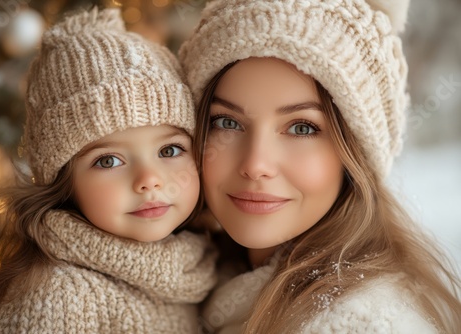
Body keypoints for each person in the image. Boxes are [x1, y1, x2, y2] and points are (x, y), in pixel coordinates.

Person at [179, 0, 461, 332]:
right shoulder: (197, 278)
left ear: (355, 153)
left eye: (302, 128)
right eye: (226, 122)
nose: (256, 165)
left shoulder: (359, 323)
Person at [0, 7, 216, 333]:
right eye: (108, 161)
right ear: (65, 182)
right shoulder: (59, 299)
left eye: (169, 150)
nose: (149, 180)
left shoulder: (201, 267)